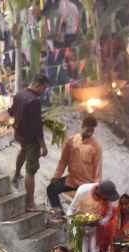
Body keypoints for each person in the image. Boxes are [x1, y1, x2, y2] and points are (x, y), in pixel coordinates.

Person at [46, 115, 103, 223]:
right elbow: (63, 161)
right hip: (71, 180)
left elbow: (98, 170)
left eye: (92, 130)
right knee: (51, 189)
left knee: (88, 212)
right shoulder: (71, 141)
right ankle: (59, 215)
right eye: (88, 130)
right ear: (82, 126)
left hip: (86, 184)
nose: (90, 133)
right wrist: (56, 176)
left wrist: (96, 188)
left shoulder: (96, 147)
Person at [9, 75, 49, 211]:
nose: (43, 91)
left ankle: (15, 175)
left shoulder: (19, 94)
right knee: (31, 171)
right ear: (38, 85)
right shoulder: (34, 101)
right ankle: (30, 203)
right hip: (32, 139)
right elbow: (37, 127)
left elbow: (11, 111)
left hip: (20, 134)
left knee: (22, 151)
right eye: (44, 88)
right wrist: (43, 145)